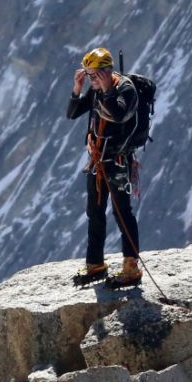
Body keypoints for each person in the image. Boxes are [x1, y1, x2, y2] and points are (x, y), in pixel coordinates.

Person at [66, 46, 145, 287]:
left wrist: (108, 90)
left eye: (94, 75)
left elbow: (119, 115)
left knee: (122, 213)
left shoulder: (125, 90)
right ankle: (95, 263)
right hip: (98, 160)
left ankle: (131, 267)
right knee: (95, 211)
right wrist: (78, 89)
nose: (92, 80)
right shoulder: (96, 90)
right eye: (88, 75)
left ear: (106, 72)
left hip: (117, 160)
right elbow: (72, 113)